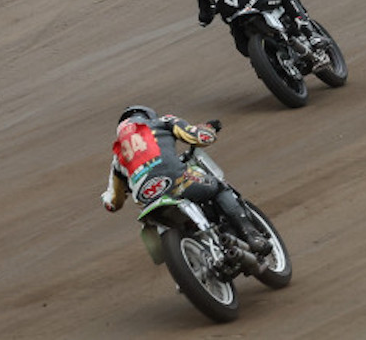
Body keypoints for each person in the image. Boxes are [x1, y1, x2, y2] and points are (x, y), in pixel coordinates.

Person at [101, 106, 269, 251]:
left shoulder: (118, 157)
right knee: (218, 187)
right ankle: (252, 236)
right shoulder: (163, 121)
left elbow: (112, 203)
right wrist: (209, 128)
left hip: (149, 203)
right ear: (147, 116)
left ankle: (187, 272)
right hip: (178, 180)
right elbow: (200, 138)